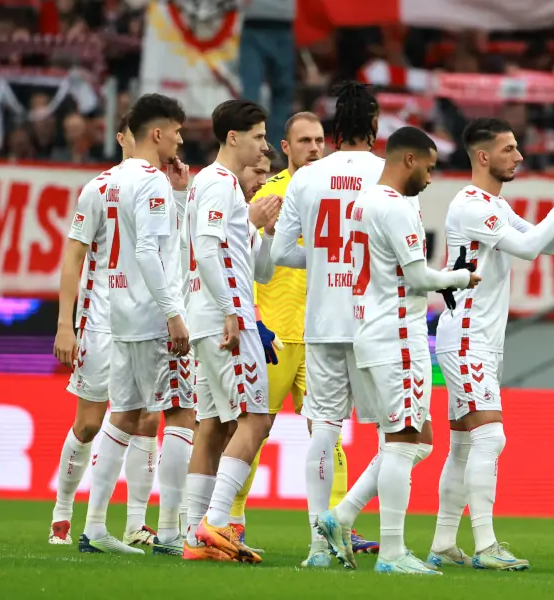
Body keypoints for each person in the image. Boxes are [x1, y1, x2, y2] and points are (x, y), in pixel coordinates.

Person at [314, 126, 480, 575]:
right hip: (397, 337)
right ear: (410, 160)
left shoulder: (363, 202)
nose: (430, 176)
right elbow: (420, 278)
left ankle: (341, 516)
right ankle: (391, 553)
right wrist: (462, 278)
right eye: (428, 166)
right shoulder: (396, 207)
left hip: (371, 330)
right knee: (404, 441)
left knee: (415, 439)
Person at [427, 117, 554, 571]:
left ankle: (442, 543)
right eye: (509, 149)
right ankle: (486, 545)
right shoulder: (475, 205)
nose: (519, 156)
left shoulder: (489, 204)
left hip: (476, 338)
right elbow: (533, 247)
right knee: (491, 437)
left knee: (463, 446)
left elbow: (546, 244)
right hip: (467, 338)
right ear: (483, 156)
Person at [228, 111, 367, 550]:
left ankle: (338, 520)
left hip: (321, 333)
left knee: (327, 429)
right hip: (275, 332)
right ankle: (231, 519)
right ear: (285, 148)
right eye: (304, 140)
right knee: (256, 427)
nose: (314, 147)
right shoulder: (271, 194)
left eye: (320, 139)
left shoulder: (335, 191)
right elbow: (246, 260)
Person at [270, 84, 386, 567]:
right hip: (374, 321)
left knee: (322, 432)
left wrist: (319, 263)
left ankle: (319, 545)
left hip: (320, 321)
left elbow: (279, 253)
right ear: (374, 126)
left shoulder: (308, 176)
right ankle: (350, 517)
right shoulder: (388, 171)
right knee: (400, 436)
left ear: (334, 129)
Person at [79, 94, 194, 555]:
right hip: (153, 318)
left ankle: (94, 528)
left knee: (123, 416)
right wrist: (173, 312)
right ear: (158, 133)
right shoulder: (152, 183)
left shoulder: (121, 179)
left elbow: (163, 242)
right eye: (178, 131)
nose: (182, 140)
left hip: (121, 314)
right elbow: (151, 252)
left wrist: (182, 194)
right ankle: (169, 533)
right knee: (184, 412)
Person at [49, 113, 162, 547]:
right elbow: (73, 258)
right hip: (100, 322)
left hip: (147, 320)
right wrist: (65, 325)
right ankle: (62, 514)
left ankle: (136, 525)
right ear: (122, 139)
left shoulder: (161, 189)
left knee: (149, 418)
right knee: (89, 425)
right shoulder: (97, 189)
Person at [181, 99, 281, 563]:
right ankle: (216, 523)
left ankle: (194, 536)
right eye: (259, 137)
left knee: (217, 427)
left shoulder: (220, 188)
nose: (263, 146)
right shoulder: (219, 183)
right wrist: (231, 312)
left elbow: (257, 270)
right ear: (234, 138)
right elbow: (205, 249)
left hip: (213, 317)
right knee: (256, 419)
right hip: (226, 320)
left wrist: (265, 230)